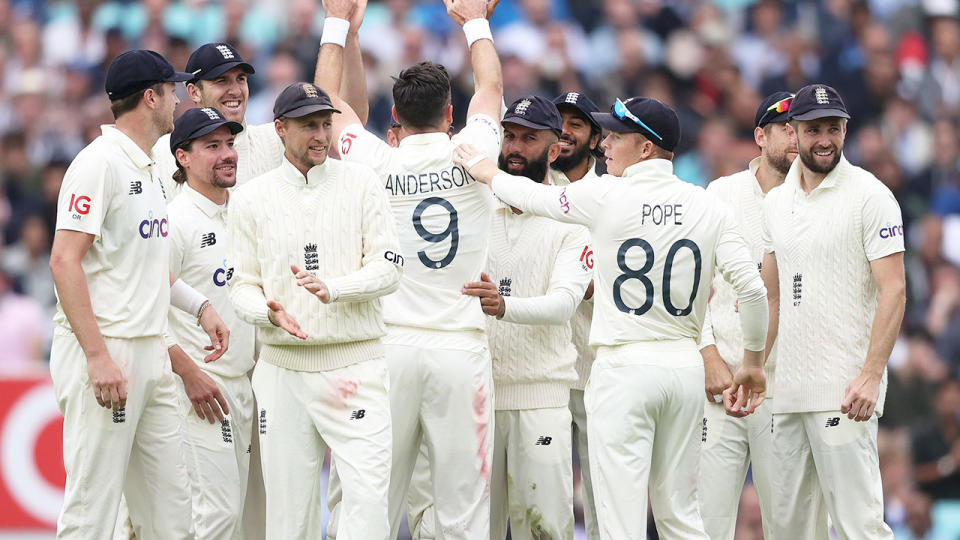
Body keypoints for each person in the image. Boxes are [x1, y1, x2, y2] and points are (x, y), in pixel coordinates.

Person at [453, 96, 768, 540]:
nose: (605, 147)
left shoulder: (605, 194)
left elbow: (532, 196)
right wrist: (752, 363)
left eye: (616, 138)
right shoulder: (708, 205)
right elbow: (753, 289)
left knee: (621, 521)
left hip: (623, 368)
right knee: (680, 515)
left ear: (645, 149)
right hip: (682, 368)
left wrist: (486, 171)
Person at [313, 0, 503, 537]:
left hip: (389, 347)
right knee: (463, 510)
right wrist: (474, 22)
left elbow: (324, 103)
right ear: (449, 114)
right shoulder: (474, 150)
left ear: (393, 119)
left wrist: (338, 22)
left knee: (372, 497)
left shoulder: (377, 162)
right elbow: (490, 88)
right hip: (459, 349)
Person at [49, 49, 230, 539]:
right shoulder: (98, 164)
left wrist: (201, 306)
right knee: (91, 512)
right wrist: (97, 356)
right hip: (110, 354)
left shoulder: (149, 167)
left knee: (172, 518)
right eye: (171, 90)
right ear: (150, 98)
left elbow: (144, 264)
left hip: (150, 352)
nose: (177, 100)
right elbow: (64, 261)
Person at [227, 81, 402, 539]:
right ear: (280, 130)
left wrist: (335, 289)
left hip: (356, 365)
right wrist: (268, 312)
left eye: (326, 124)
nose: (322, 135)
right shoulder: (250, 198)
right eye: (309, 126)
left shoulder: (362, 182)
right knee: (289, 516)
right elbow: (240, 285)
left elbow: (389, 268)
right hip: (283, 369)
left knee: (366, 505)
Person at [760, 84, 904, 540]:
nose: (825, 139)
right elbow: (773, 296)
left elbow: (895, 290)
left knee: (859, 526)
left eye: (834, 128)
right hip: (788, 393)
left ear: (845, 130)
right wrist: (754, 366)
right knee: (789, 530)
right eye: (814, 129)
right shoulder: (776, 203)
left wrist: (871, 374)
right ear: (792, 132)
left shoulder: (871, 195)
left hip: (845, 390)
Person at [460, 95, 590, 539]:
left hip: (542, 397)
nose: (514, 147)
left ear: (555, 150)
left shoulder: (574, 217)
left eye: (529, 139)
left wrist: (504, 307)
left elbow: (564, 303)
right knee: (477, 529)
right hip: (478, 393)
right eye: (509, 136)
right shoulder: (473, 206)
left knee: (545, 530)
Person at [696, 91, 797, 540]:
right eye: (787, 129)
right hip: (720, 386)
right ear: (761, 135)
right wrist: (708, 353)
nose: (798, 139)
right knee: (705, 520)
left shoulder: (816, 200)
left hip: (786, 389)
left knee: (788, 523)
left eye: (806, 129)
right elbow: (688, 285)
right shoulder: (720, 195)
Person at [166, 106, 255, 539]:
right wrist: (188, 372)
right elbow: (146, 306)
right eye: (212, 146)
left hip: (242, 387)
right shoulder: (174, 220)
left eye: (230, 144)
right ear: (183, 157)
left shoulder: (246, 212)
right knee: (214, 517)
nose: (227, 155)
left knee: (231, 521)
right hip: (199, 391)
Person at [548, 90, 603, 540]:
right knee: (543, 498)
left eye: (577, 124)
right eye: (559, 121)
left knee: (604, 496)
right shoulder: (527, 185)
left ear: (596, 138)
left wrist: (592, 283)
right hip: (538, 367)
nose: (565, 131)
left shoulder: (611, 194)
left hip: (593, 369)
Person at [153, 42, 284, 198]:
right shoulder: (161, 151)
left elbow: (318, 118)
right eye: (221, 81)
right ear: (194, 92)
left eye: (241, 79)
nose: (236, 91)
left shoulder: (274, 139)